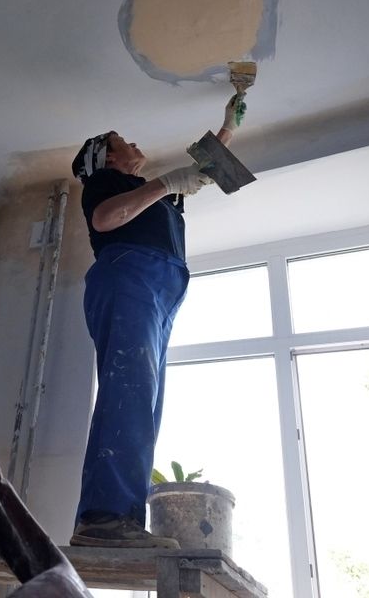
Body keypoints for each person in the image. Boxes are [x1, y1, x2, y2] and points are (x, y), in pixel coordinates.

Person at [68, 95, 245, 548]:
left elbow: (203, 172)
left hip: (158, 288)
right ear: (106, 158)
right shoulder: (104, 183)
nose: (131, 143)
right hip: (129, 276)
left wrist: (228, 126)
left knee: (145, 402)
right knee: (130, 391)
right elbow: (106, 218)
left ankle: (117, 519)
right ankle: (105, 517)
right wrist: (165, 183)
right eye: (121, 140)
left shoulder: (146, 192)